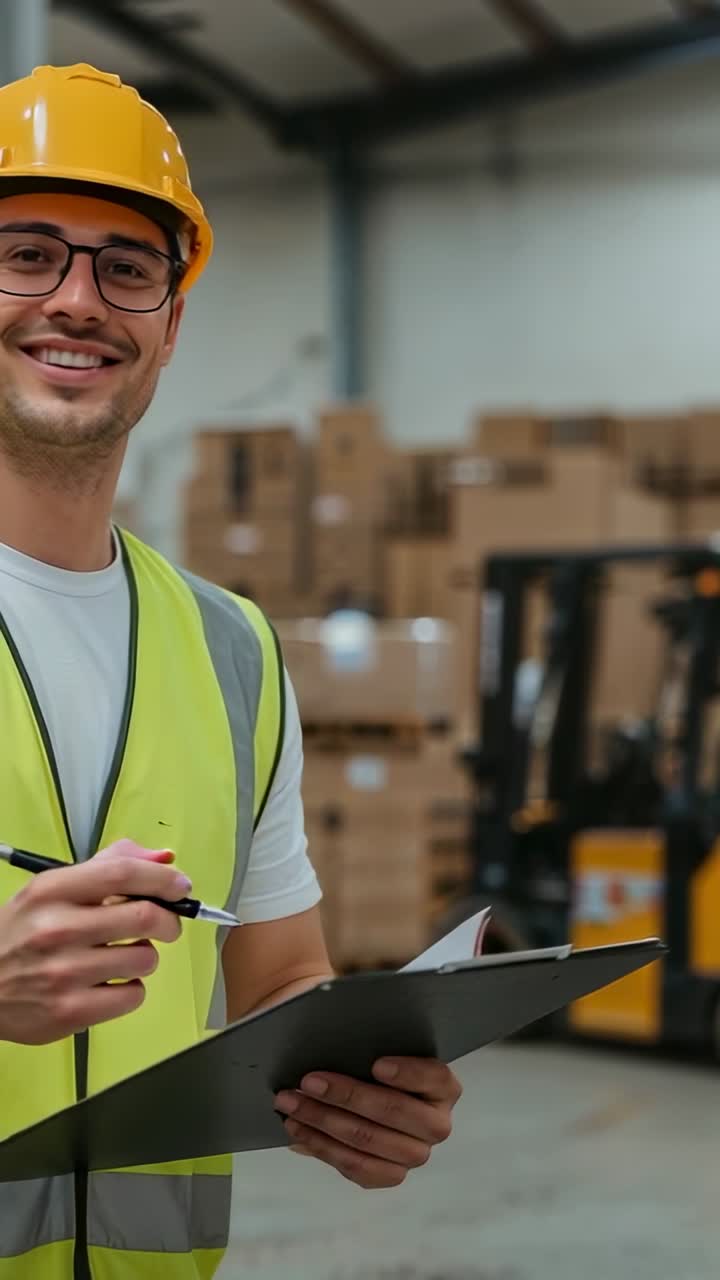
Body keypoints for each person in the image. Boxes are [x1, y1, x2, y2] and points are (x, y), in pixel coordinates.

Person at [0, 64, 463, 1279]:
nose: (77, 300)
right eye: (28, 252)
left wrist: (346, 1092)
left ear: (170, 321)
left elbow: (279, 980)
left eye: (127, 267)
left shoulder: (234, 649)